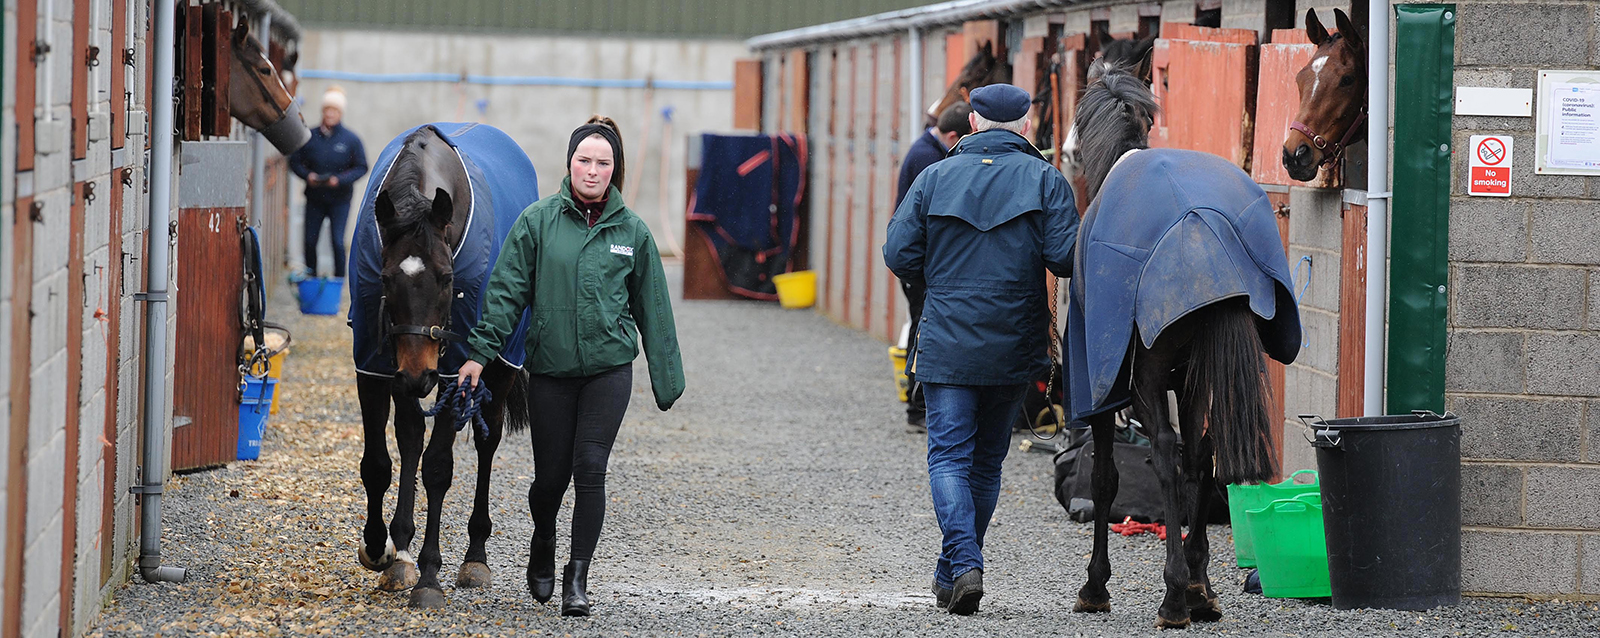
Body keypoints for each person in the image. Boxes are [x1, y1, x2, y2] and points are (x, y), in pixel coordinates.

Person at [457, 116, 684, 617]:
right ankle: (543, 539)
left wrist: (668, 380)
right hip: (552, 371)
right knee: (549, 479)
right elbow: (505, 293)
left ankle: (576, 576)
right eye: (585, 160)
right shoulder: (538, 222)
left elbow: (655, 310)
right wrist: (478, 354)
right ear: (569, 163)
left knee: (590, 469)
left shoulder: (633, 233)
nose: (593, 170)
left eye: (604, 163)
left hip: (609, 370)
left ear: (615, 170)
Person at [883, 84, 1078, 615]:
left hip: (947, 338)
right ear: (1025, 126)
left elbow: (898, 253)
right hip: (1014, 342)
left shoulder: (934, 177)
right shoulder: (1046, 180)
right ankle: (959, 567)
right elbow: (1064, 258)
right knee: (987, 462)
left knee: (948, 454)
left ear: (971, 123)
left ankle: (962, 564)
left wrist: (942, 283)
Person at [894, 103, 973, 432]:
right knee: (924, 332)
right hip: (924, 265)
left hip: (923, 263)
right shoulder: (929, 158)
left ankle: (921, 406)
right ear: (954, 136)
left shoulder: (925, 150)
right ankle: (918, 407)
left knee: (922, 328)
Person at [288, 86, 368, 278]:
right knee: (309, 241)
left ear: (341, 113)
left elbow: (362, 167)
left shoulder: (351, 139)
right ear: (323, 111)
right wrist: (308, 176)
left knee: (337, 242)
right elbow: (294, 161)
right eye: (328, 109)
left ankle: (339, 281)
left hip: (339, 200)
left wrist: (339, 180)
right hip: (315, 198)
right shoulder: (309, 136)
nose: (330, 114)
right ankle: (311, 278)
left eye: (335, 110)